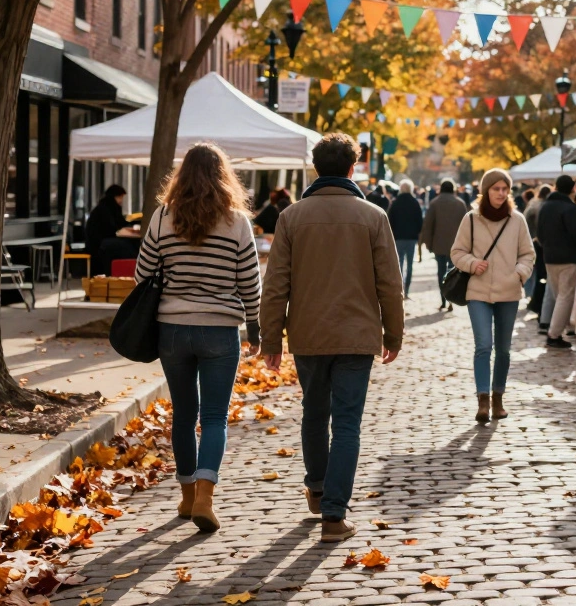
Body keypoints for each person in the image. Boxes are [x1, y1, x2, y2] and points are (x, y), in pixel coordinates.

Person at [260, 133, 405, 543]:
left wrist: (271, 338)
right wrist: (393, 332)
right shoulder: (374, 216)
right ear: (352, 168)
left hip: (307, 333)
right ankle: (334, 514)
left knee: (313, 412)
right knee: (346, 424)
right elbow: (389, 284)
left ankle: (318, 486)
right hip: (357, 336)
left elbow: (276, 285)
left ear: (315, 168)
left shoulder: (290, 217)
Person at [133, 144, 261, 534]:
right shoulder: (236, 221)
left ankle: (187, 496)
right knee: (215, 417)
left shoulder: (163, 217)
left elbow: (143, 274)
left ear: (181, 176)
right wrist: (255, 325)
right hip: (220, 330)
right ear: (224, 177)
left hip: (172, 329)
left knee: (184, 416)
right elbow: (250, 281)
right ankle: (205, 496)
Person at [449, 169, 535, 423]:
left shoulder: (517, 219)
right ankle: (483, 400)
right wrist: (472, 263)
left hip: (509, 292)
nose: (500, 193)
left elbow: (528, 254)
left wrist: (519, 274)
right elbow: (456, 252)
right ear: (486, 191)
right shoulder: (471, 219)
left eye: (504, 189)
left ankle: (498, 397)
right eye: (496, 188)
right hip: (478, 291)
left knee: (504, 350)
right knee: (484, 345)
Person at [537, 174, 576, 349]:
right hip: (567, 257)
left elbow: (539, 234)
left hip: (549, 256)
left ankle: (555, 331)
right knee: (565, 297)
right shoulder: (569, 208)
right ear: (572, 189)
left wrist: (548, 247)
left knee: (559, 296)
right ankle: (554, 334)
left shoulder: (545, 206)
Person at [421, 179, 471, 311]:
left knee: (441, 272)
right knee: (453, 272)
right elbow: (467, 227)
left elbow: (428, 225)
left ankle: (444, 299)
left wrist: (428, 243)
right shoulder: (460, 204)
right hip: (457, 245)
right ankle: (451, 299)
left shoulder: (434, 203)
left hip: (439, 244)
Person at [86, 185, 139, 275]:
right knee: (128, 247)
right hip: (99, 244)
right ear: (115, 196)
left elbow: (120, 223)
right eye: (120, 197)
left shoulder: (106, 207)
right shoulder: (107, 209)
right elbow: (114, 226)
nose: (121, 200)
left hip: (100, 242)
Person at [387, 180, 425, 299]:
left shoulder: (395, 203)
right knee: (409, 264)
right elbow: (420, 221)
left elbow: (390, 220)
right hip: (411, 238)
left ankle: (400, 289)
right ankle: (407, 289)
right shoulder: (415, 203)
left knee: (399, 264)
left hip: (398, 237)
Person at [524, 185, 551, 308]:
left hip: (530, 239)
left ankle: (530, 295)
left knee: (532, 269)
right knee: (535, 270)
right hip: (536, 242)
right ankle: (532, 296)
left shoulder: (533, 203)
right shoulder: (540, 206)